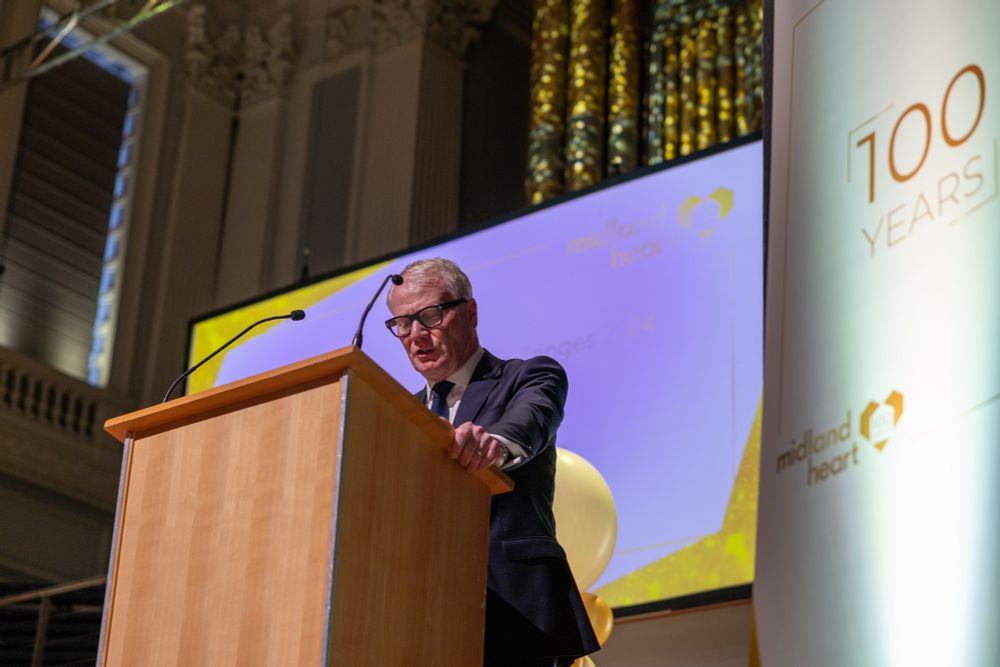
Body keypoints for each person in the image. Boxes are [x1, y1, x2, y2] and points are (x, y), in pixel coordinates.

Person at [385, 258, 599, 667]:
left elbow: (529, 423)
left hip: (514, 610)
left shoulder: (527, 376)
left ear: (470, 312)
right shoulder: (397, 414)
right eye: (402, 323)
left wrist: (493, 447)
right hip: (415, 615)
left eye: (429, 316)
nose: (415, 335)